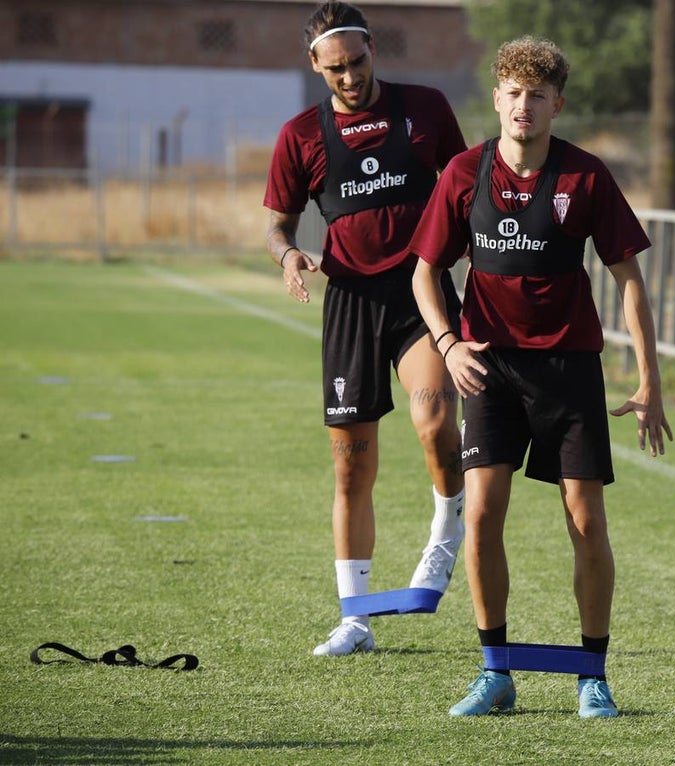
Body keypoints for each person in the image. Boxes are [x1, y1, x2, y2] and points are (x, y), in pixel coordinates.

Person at [408, 36, 671, 718]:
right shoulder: (465, 173)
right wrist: (449, 343)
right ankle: (495, 672)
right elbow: (425, 273)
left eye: (538, 95)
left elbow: (629, 280)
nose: (524, 106)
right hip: (488, 371)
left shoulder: (585, 177)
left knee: (586, 522)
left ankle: (592, 674)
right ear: (497, 98)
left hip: (569, 369)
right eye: (513, 93)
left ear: (558, 103)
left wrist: (650, 380)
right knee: (485, 515)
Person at [263, 0, 468, 657]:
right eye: (335, 70)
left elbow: (468, 188)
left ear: (372, 49)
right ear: (315, 66)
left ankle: (446, 530)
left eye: (357, 63)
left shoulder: (427, 109)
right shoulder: (300, 135)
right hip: (350, 301)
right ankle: (356, 618)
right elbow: (277, 224)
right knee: (351, 469)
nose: (350, 78)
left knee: (435, 419)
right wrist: (290, 255)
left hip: (421, 293)